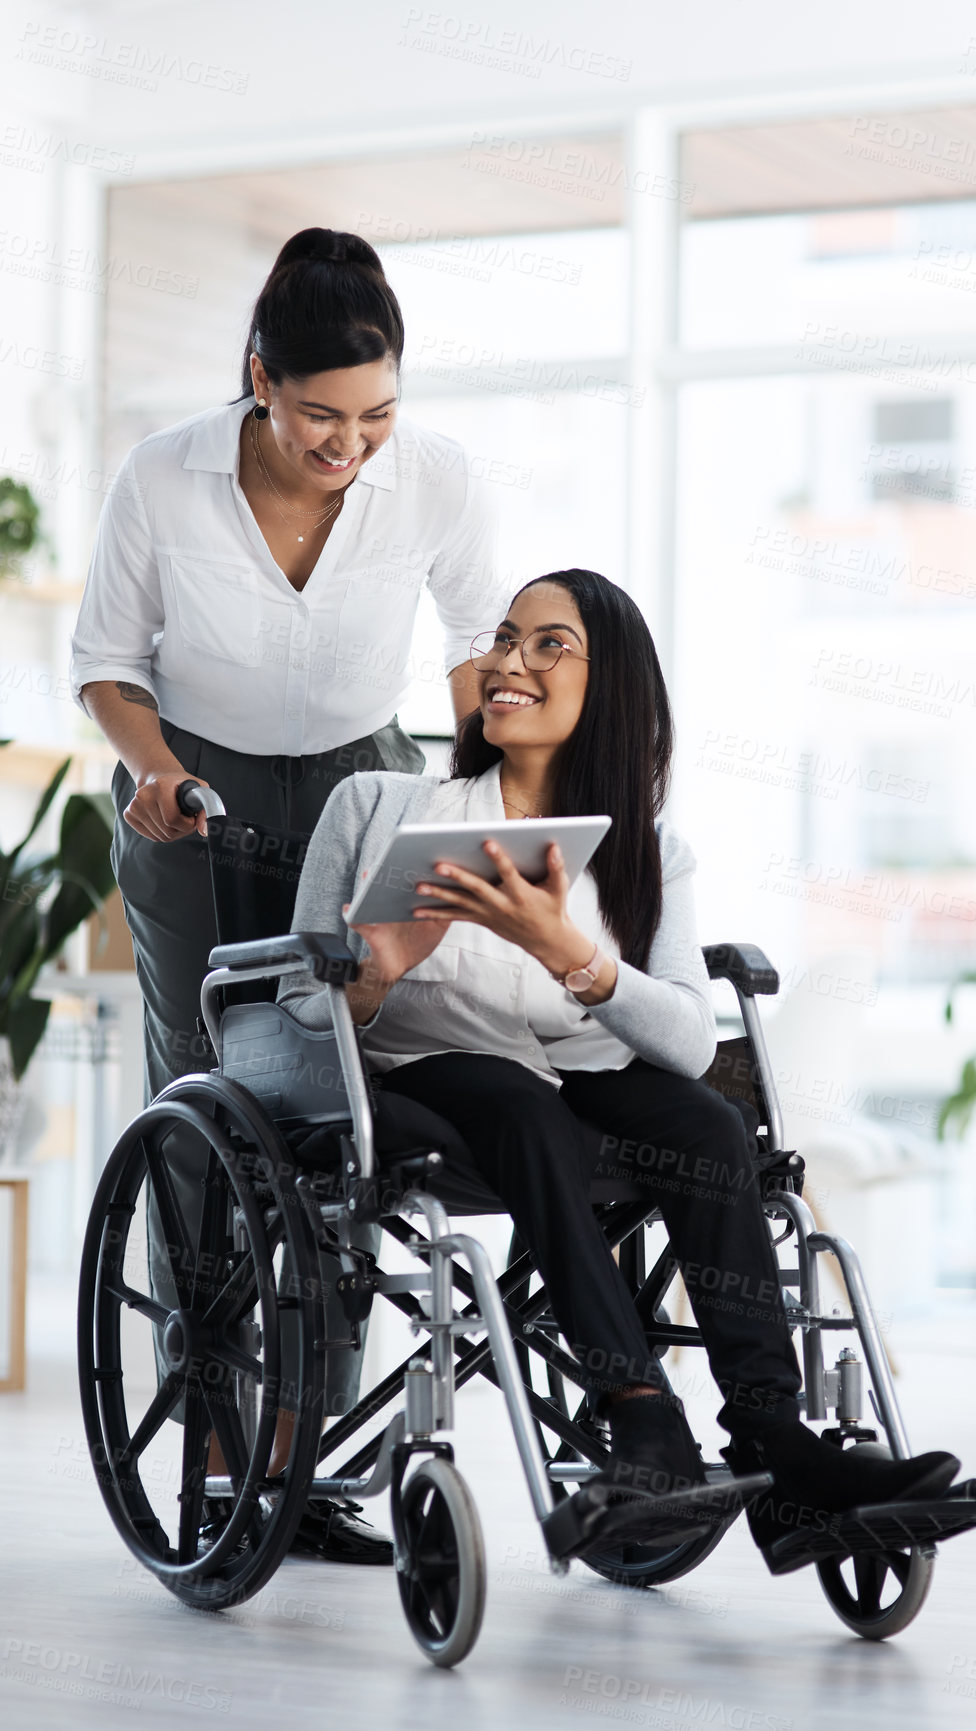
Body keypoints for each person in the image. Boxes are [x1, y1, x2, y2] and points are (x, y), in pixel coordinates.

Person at [280, 569, 961, 1571]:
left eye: (548, 644)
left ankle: (779, 1445)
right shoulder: (378, 805)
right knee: (518, 1103)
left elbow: (686, 1039)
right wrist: (381, 969)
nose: (511, 662)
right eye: (505, 639)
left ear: (614, 687)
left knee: (710, 1124)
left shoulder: (649, 856)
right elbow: (295, 1006)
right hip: (413, 1077)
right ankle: (642, 1420)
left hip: (570, 1076)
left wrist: (575, 955)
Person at [70, 226, 507, 1563]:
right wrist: (152, 768)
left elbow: (478, 646)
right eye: (320, 414)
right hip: (191, 796)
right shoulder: (164, 475)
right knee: (207, 1096)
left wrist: (479, 788)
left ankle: (296, 1447)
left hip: (356, 785)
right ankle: (211, 1438)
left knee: (336, 1101)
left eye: (375, 413)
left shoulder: (431, 477)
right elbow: (105, 662)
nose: (349, 443)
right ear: (258, 376)